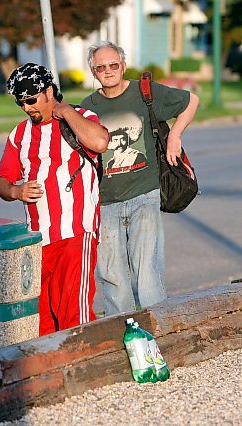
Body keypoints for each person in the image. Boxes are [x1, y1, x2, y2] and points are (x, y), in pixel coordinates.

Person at [80, 41, 199, 315]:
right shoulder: (88, 107)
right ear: (93, 72)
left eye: (113, 65)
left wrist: (176, 137)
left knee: (147, 272)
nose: (108, 71)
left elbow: (191, 101)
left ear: (122, 65)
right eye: (101, 67)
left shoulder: (144, 92)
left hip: (144, 194)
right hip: (105, 202)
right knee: (112, 276)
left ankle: (158, 329)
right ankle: (123, 332)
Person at [0, 63, 109, 336]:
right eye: (20, 103)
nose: (27, 108)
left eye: (31, 100)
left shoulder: (80, 116)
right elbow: (1, 181)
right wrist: (16, 192)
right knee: (42, 318)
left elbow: (100, 142)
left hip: (74, 232)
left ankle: (79, 369)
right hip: (36, 239)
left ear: (48, 91)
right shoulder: (19, 134)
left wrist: (67, 110)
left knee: (74, 314)